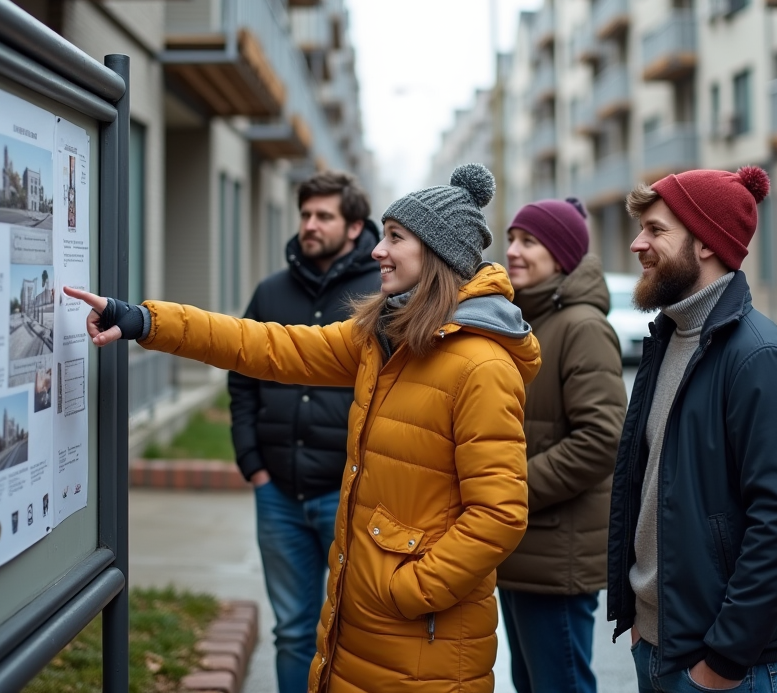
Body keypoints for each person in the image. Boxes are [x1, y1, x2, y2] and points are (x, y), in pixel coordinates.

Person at [68, 164, 540, 693]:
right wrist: (144, 321)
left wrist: (409, 590)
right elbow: (266, 345)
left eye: (394, 238)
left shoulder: (482, 366)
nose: (376, 252)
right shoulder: (380, 339)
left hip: (423, 637)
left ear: (436, 253)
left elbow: (499, 514)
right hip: (363, 616)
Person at [607, 167, 777, 693]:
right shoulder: (669, 337)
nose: (638, 244)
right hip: (657, 641)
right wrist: (639, 622)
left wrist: (723, 661)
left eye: (656, 230)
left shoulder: (760, 357)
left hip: (724, 666)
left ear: (705, 243)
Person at [228, 171, 379, 693]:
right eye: (306, 214)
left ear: (356, 226)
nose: (310, 225)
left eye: (324, 216)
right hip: (279, 495)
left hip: (351, 494)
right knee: (292, 631)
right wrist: (252, 462)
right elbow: (241, 372)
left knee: (355, 630)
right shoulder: (270, 291)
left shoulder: (382, 294)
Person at [497, 198, 626, 693]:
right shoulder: (527, 321)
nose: (513, 251)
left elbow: (602, 438)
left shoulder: (582, 327)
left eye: (529, 242)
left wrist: (507, 489)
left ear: (562, 257)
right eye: (512, 239)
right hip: (523, 544)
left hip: (557, 552)